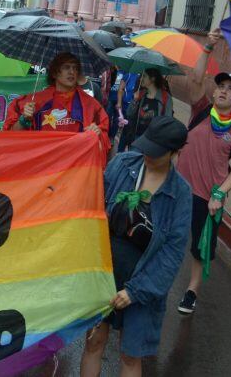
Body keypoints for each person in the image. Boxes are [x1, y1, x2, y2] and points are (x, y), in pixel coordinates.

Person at [80, 116, 191, 377]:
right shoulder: (122, 164)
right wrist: (85, 146)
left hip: (143, 285)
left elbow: (172, 255)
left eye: (157, 152)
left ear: (175, 152)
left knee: (130, 356)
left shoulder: (180, 194)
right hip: (105, 273)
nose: (148, 155)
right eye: (147, 147)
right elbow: (92, 203)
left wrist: (136, 291)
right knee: (93, 342)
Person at [176, 29, 231, 315]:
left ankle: (191, 291)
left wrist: (220, 193)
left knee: (199, 247)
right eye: (221, 86)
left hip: (208, 198)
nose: (224, 91)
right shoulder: (201, 109)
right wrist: (207, 47)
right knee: (164, 234)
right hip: (179, 188)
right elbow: (196, 78)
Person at [3, 52, 109, 154]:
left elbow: (102, 147)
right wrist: (24, 119)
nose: (72, 72)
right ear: (54, 73)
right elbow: (11, 138)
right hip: (43, 166)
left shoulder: (90, 105)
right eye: (66, 67)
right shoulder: (34, 102)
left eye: (75, 68)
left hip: (75, 167)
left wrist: (97, 134)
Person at [117, 68, 172, 152]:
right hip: (137, 138)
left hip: (153, 141)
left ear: (152, 79)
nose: (141, 78)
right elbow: (129, 114)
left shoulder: (165, 97)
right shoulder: (141, 94)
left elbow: (167, 121)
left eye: (144, 76)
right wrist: (135, 100)